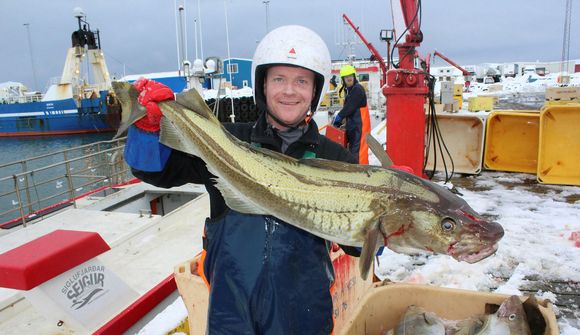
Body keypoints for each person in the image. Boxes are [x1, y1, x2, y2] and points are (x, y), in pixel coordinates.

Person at [124, 25, 359, 334]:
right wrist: (147, 129)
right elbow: (157, 172)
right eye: (279, 79)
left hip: (303, 319)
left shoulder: (336, 160)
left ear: (315, 90)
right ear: (262, 85)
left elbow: (357, 246)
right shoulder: (226, 141)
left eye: (301, 81)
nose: (290, 91)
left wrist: (389, 218)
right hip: (230, 318)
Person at [332, 65, 371, 164]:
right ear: (343, 80)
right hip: (354, 126)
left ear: (354, 76)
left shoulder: (357, 89)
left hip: (360, 127)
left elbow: (350, 106)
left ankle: (360, 171)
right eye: (346, 77)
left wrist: (339, 117)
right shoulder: (350, 90)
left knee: (358, 151)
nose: (349, 78)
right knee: (352, 150)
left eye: (350, 76)